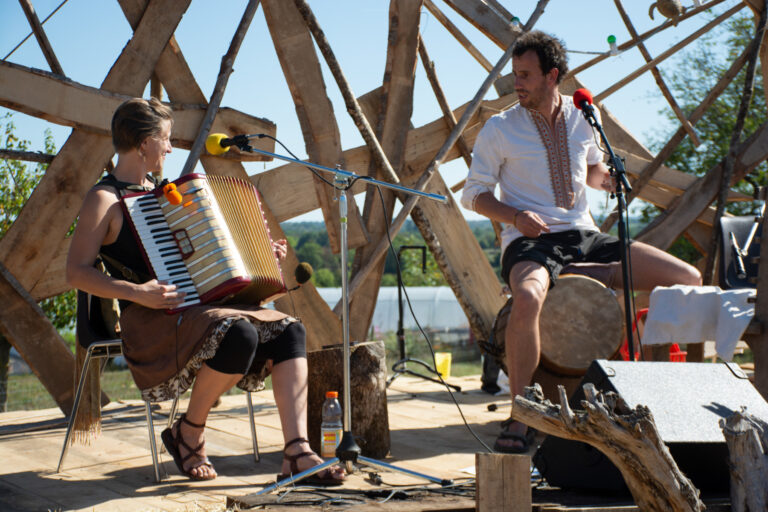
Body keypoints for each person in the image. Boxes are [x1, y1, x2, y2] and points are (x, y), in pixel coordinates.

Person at [67, 97, 345, 484]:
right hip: (150, 316)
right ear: (145, 142)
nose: (169, 147)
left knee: (290, 331)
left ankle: (296, 451)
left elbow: (204, 256)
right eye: (165, 139)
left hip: (197, 308)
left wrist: (261, 254)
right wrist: (137, 292)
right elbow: (76, 272)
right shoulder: (105, 199)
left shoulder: (167, 194)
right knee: (239, 333)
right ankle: (189, 432)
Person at [460, 31, 702, 453]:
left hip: (585, 234)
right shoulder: (499, 128)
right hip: (531, 240)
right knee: (529, 298)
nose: (516, 83)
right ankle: (522, 414)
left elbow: (591, 172)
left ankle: (656, 394)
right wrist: (515, 216)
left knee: (686, 278)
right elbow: (473, 195)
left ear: (553, 76)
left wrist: (607, 178)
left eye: (526, 75)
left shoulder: (584, 116)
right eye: (515, 74)